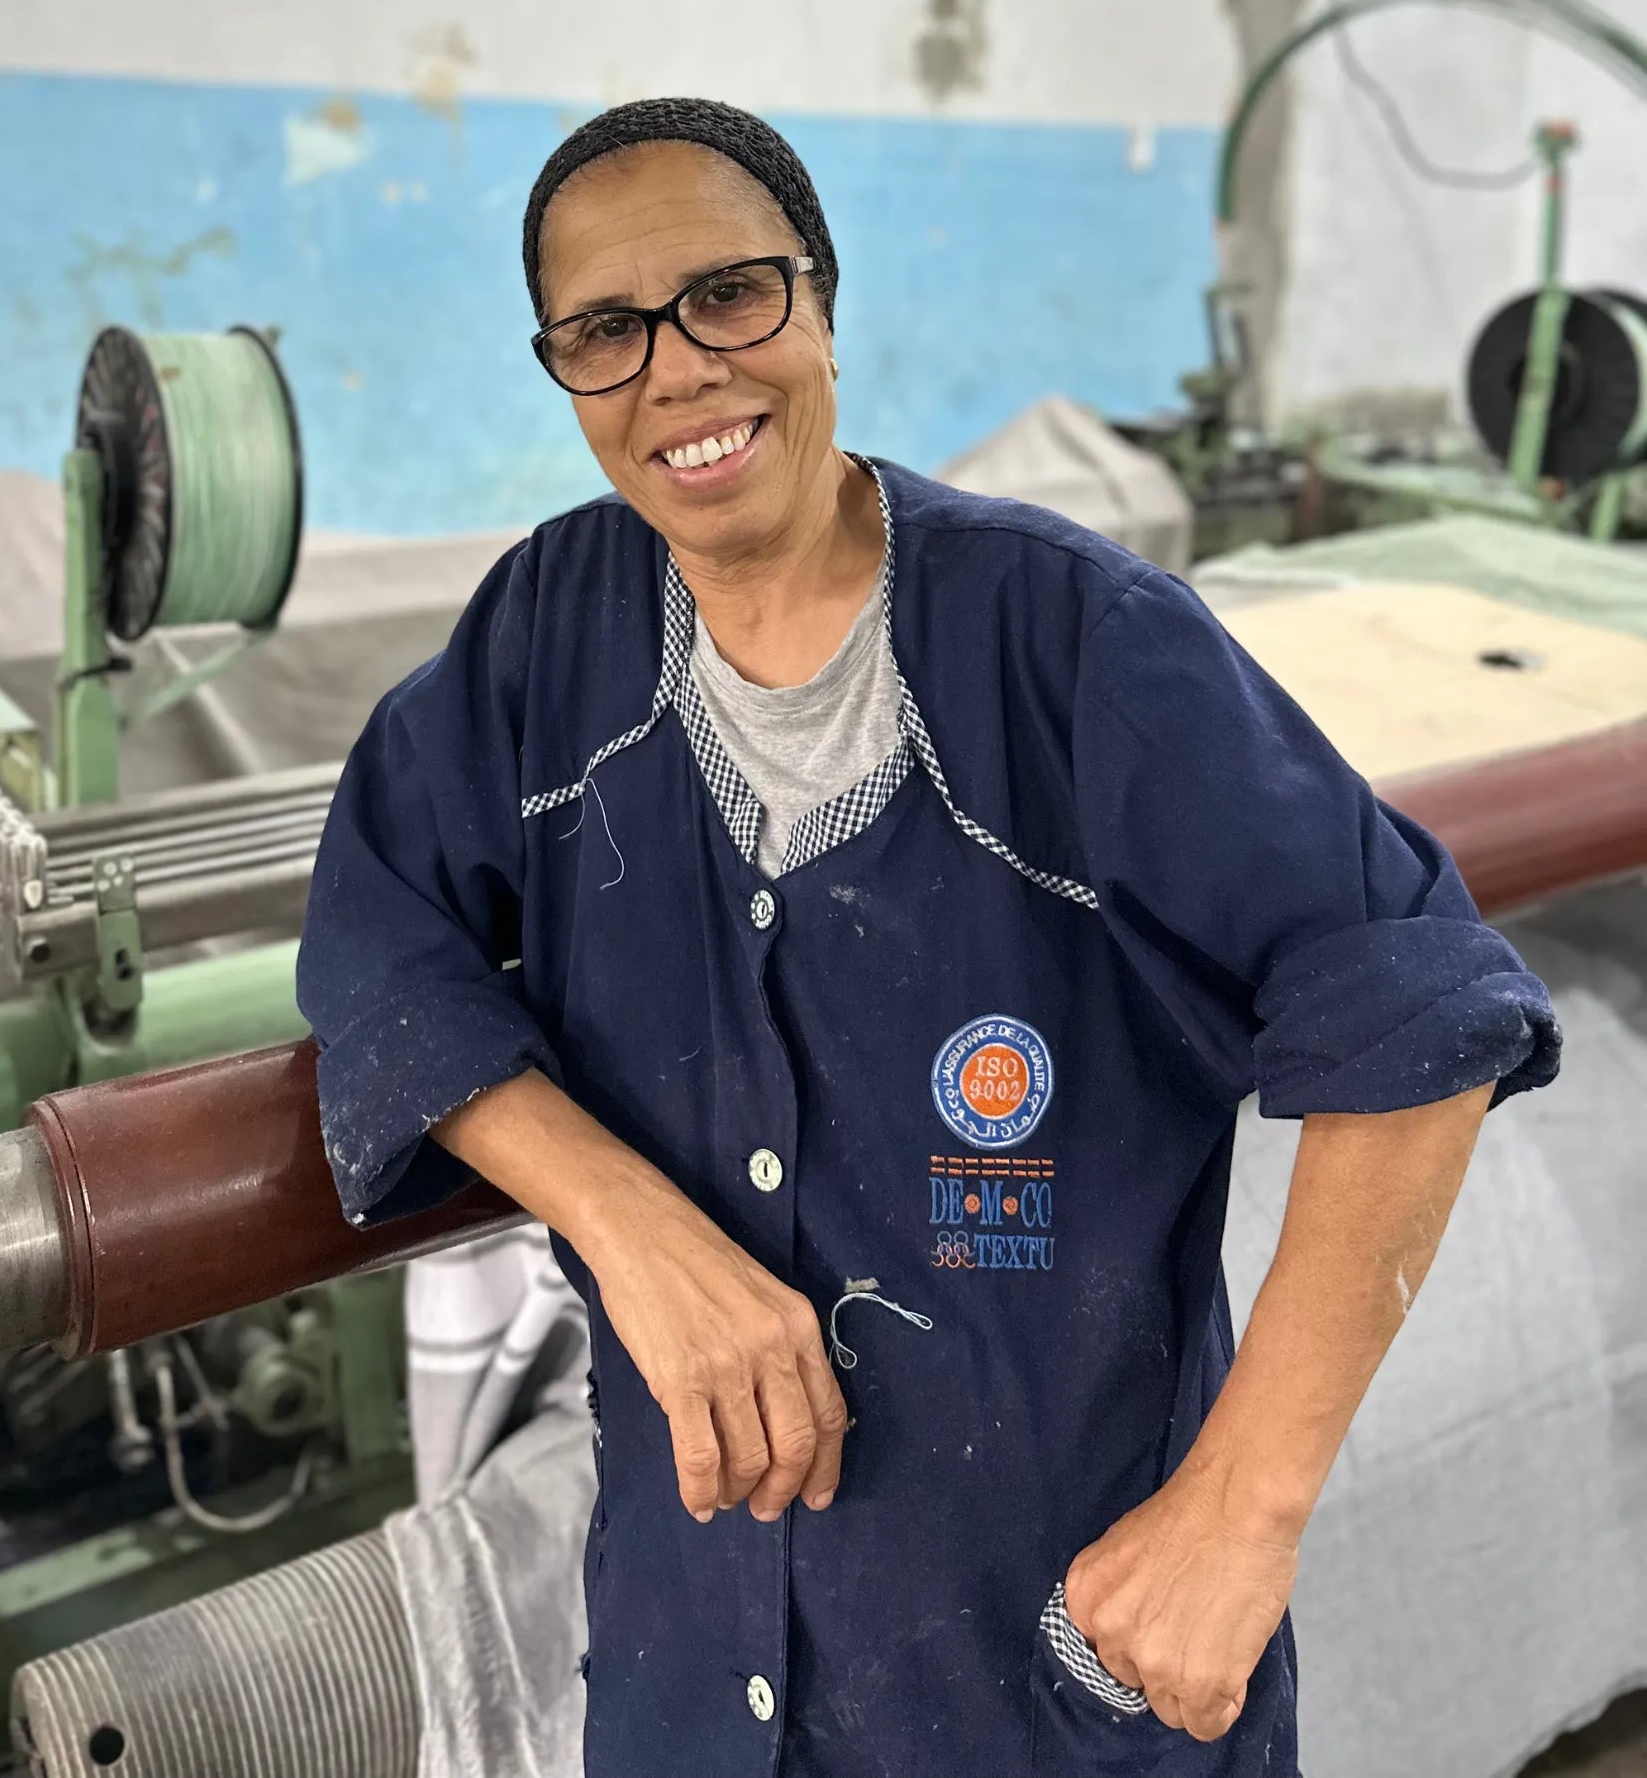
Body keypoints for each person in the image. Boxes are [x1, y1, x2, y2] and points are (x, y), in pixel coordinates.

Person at [298, 97, 1559, 1777]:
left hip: (1039, 1687)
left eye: (730, 295)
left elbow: (1415, 1000)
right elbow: (380, 937)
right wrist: (635, 1236)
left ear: (820, 302)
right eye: (605, 331)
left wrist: (1245, 1512)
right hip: (696, 1679)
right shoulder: (552, 637)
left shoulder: (1071, 642)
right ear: (564, 369)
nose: (678, 370)